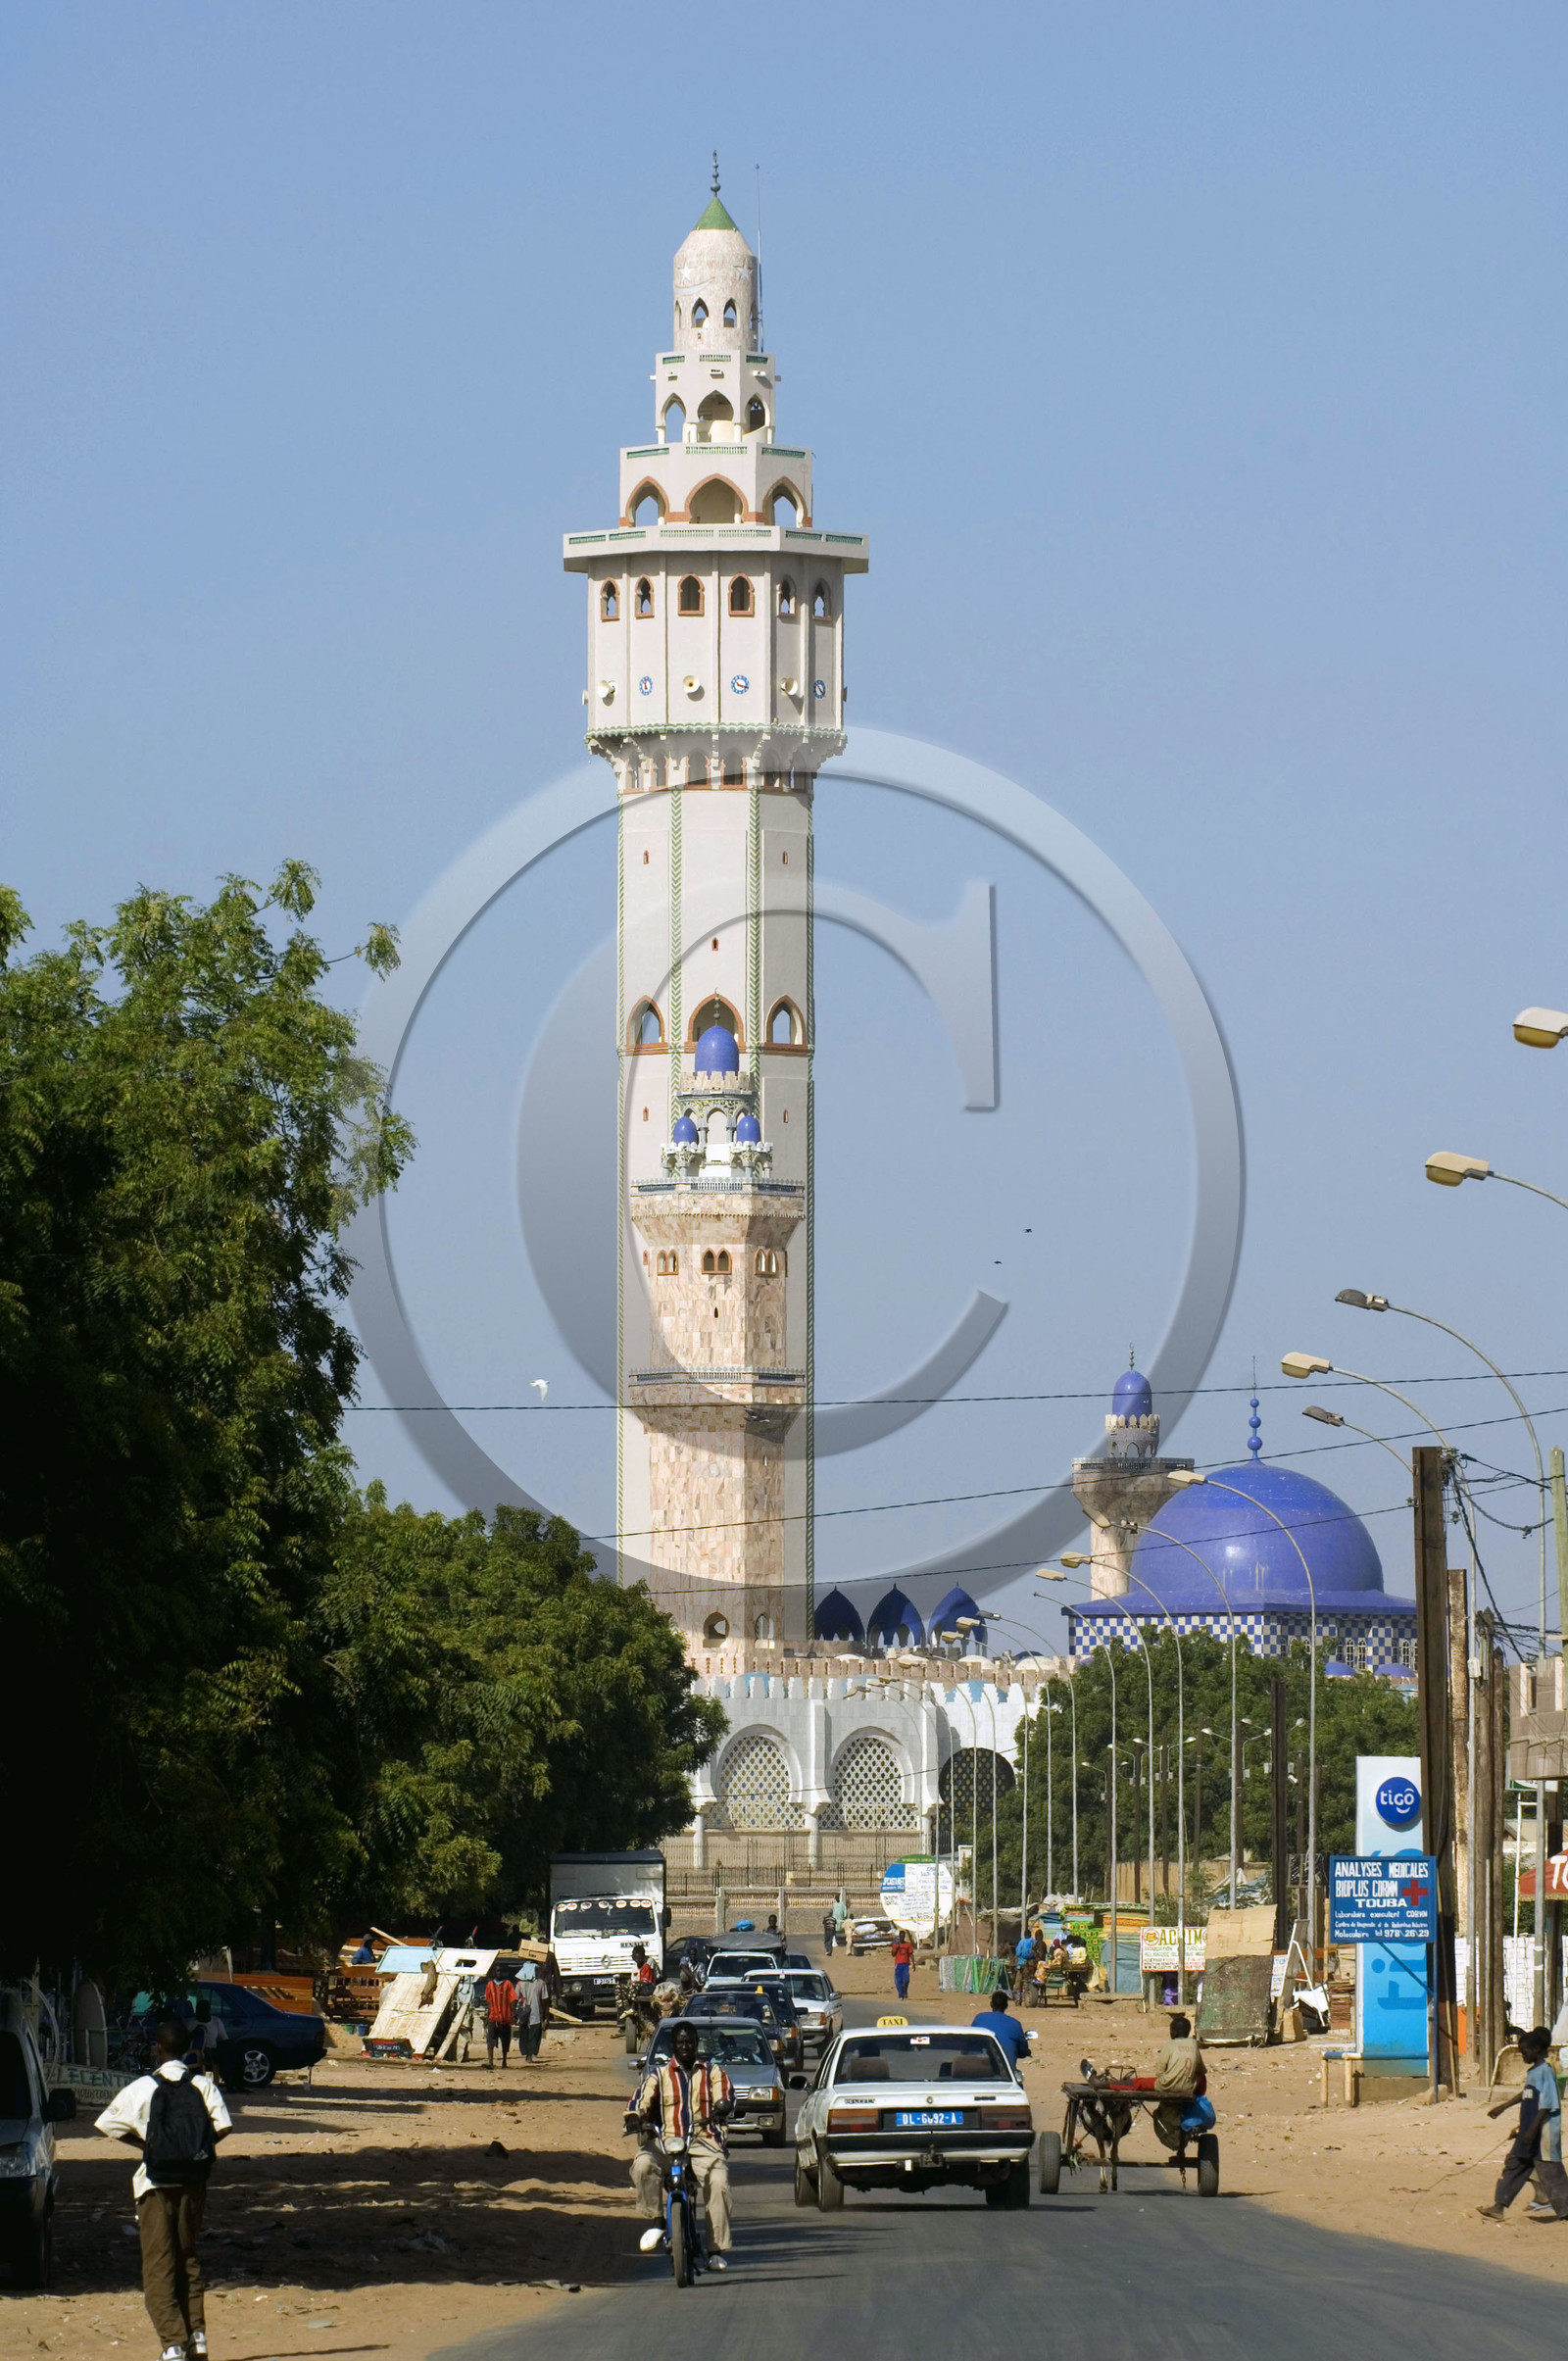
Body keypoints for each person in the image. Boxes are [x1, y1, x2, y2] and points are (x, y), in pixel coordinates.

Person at [95, 2018, 231, 2361]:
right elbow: (223, 2127)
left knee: (158, 2265)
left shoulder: (142, 2087)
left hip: (154, 2185)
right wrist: (193, 2150)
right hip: (193, 2184)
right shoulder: (202, 2085)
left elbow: (107, 2124)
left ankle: (172, 2344)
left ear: (157, 2048)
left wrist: (150, 2147)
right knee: (189, 2258)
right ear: (188, 2048)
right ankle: (197, 2335)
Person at [629, 2020, 733, 2269]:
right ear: (673, 2046)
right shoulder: (658, 2075)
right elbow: (640, 2100)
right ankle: (657, 2221)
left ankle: (715, 2250)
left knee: (718, 2183)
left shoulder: (713, 2072)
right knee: (643, 2164)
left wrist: (723, 2106)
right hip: (667, 2143)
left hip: (704, 2143)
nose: (685, 2046)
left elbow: (726, 2095)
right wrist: (635, 2117)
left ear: (696, 2044)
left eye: (689, 2042)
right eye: (680, 2042)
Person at [1479, 2027, 1568, 2221]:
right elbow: (1527, 2096)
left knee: (1551, 2172)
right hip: (1529, 2130)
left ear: (1536, 2049)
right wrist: (1503, 2107)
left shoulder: (1546, 2071)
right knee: (1514, 2165)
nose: (1523, 2056)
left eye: (1524, 2052)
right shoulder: (1533, 2072)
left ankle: (1565, 2210)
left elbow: (1547, 2104)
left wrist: (1532, 2131)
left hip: (1542, 2133)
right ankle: (1498, 2206)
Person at [970, 1987, 1033, 2073]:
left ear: (991, 2004)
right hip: (1006, 2074)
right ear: (1006, 2006)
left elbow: (970, 2041)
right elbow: (1022, 2050)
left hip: (979, 2070)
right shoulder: (1014, 2024)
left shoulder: (979, 2018)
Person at [483, 1967, 517, 2069]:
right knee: (490, 2039)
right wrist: (487, 2017)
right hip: (493, 2016)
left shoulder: (508, 1984)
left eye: (500, 1971)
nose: (499, 1973)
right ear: (494, 1972)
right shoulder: (490, 1985)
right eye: (497, 1971)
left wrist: (513, 2014)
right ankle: (490, 2061)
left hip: (505, 2017)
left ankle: (504, 2061)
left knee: (505, 2040)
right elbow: (488, 2002)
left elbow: (513, 2000)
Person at [515, 1964, 547, 2063]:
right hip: (536, 2013)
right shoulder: (541, 1983)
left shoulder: (520, 1984)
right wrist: (546, 2017)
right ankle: (530, 2055)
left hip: (523, 2014)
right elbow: (545, 2001)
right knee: (534, 2035)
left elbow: (515, 1998)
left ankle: (527, 2054)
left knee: (524, 2034)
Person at [890, 1930, 915, 2002]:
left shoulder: (908, 1945)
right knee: (898, 1981)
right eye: (900, 1937)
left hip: (906, 1964)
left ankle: (905, 1991)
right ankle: (901, 1994)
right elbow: (892, 1954)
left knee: (906, 1980)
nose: (901, 1938)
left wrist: (913, 1963)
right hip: (898, 1964)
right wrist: (896, 1947)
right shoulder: (896, 1945)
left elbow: (911, 1954)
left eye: (903, 1937)